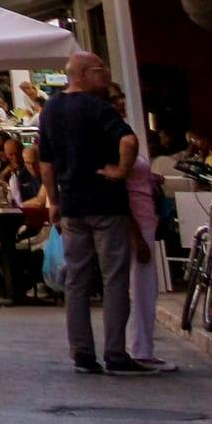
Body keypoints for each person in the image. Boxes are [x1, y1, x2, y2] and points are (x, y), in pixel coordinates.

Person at [38, 49, 165, 374]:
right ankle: (115, 351)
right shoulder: (99, 108)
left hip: (73, 205)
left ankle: (81, 350)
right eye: (101, 70)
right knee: (114, 279)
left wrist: (53, 200)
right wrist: (120, 172)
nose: (106, 76)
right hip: (107, 205)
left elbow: (46, 161)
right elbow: (128, 141)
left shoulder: (51, 109)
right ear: (82, 73)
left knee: (78, 279)